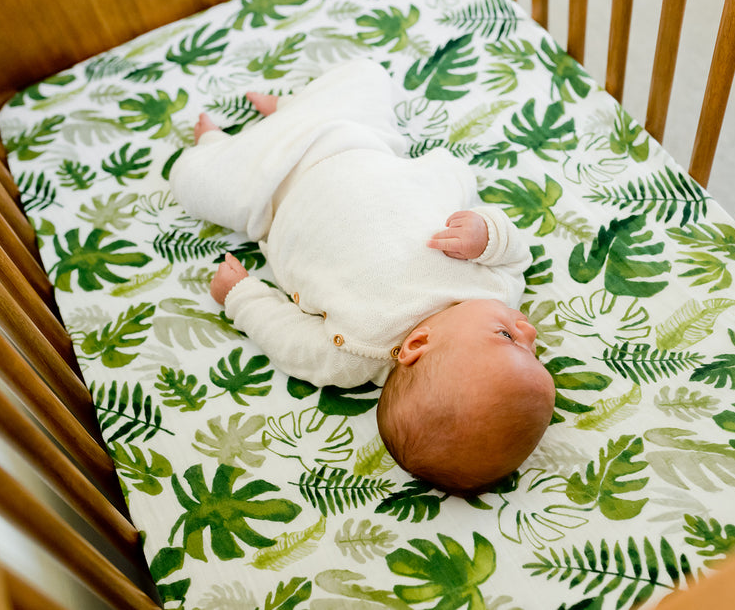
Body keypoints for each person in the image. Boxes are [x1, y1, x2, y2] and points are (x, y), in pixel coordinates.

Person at [170, 60, 555, 493]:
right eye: (533, 350)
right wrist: (487, 236)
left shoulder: (355, 351)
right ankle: (292, 108)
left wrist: (240, 296)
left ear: (415, 346)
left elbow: (287, 339)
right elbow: (515, 256)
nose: (528, 330)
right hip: (359, 140)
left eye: (509, 339)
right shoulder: (494, 290)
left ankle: (217, 143)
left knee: (192, 183)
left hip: (272, 190)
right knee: (367, 75)